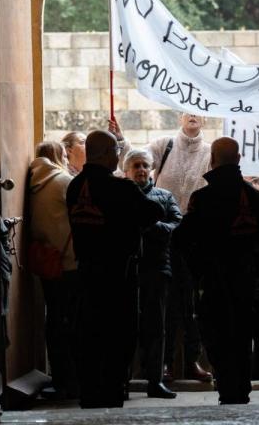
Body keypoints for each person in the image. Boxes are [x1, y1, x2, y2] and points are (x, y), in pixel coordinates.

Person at [111, 113, 213, 383]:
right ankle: (163, 364)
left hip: (191, 240)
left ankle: (191, 360)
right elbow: (136, 160)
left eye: (198, 110)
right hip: (160, 248)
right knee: (164, 306)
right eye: (187, 110)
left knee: (190, 304)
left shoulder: (209, 151)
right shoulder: (163, 144)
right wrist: (121, 141)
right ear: (180, 115)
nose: (193, 115)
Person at [67, 130, 164, 409]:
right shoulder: (120, 188)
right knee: (116, 336)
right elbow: (153, 212)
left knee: (88, 334)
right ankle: (110, 393)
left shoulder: (75, 187)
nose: (118, 157)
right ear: (105, 155)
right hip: (117, 274)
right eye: (115, 152)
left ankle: (89, 394)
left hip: (85, 271)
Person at [173, 137, 259, 404]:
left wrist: (197, 269)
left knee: (218, 337)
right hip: (246, 280)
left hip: (213, 281)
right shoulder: (255, 197)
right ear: (238, 159)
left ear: (211, 159)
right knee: (242, 337)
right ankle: (241, 389)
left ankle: (227, 389)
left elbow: (181, 239)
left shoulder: (202, 198)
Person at [122, 149, 181, 399]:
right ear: (127, 170)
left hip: (157, 268)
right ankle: (121, 382)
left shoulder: (164, 197)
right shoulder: (120, 196)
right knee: (124, 327)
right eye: (136, 165)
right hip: (126, 270)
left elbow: (177, 226)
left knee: (156, 327)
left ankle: (155, 381)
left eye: (145, 165)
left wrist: (152, 225)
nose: (141, 169)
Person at [26, 141, 78, 399]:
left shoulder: (32, 183)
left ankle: (59, 377)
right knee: (71, 322)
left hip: (47, 261)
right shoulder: (63, 181)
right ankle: (71, 381)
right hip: (68, 262)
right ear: (59, 155)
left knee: (54, 320)